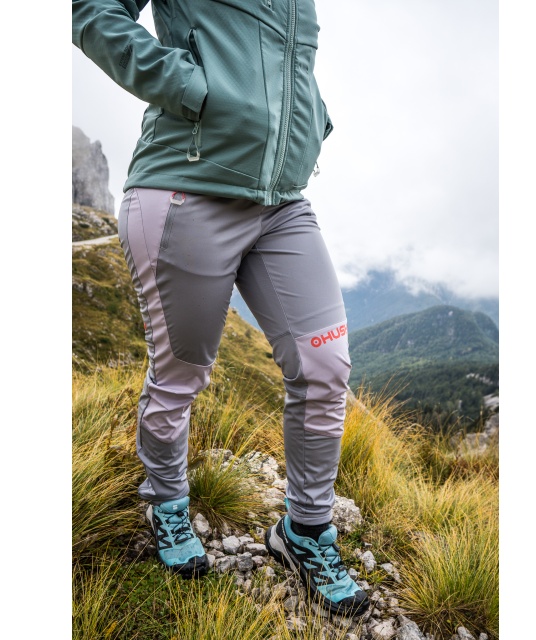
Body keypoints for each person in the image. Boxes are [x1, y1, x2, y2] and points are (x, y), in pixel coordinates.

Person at [72, 0, 369, 617]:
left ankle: (306, 531)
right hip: (187, 184)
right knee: (180, 373)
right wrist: (191, 87)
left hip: (282, 201)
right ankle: (167, 503)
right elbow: (92, 10)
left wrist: (311, 118)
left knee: (325, 367)